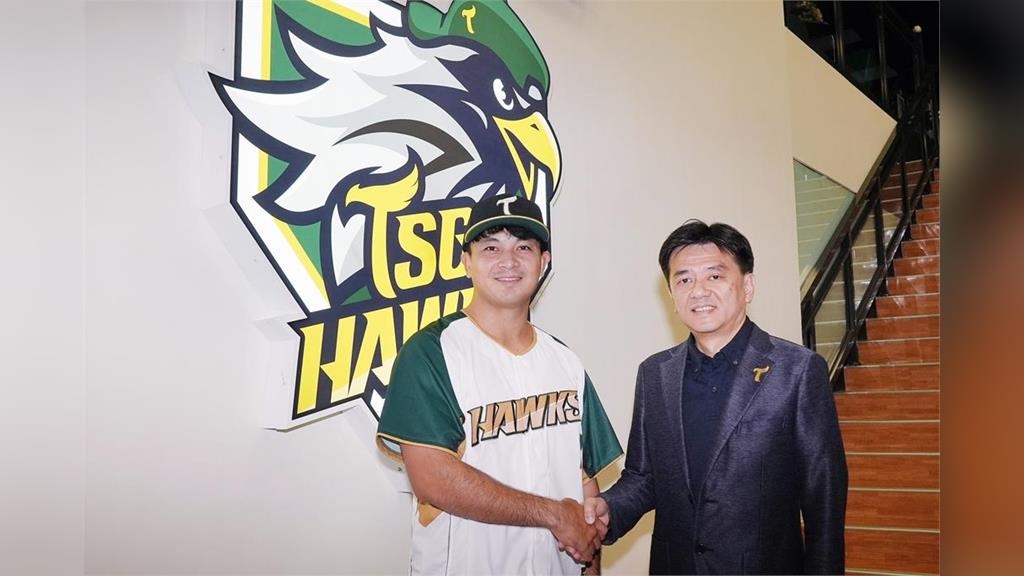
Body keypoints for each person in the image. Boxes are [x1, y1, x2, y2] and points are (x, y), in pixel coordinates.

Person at [376, 193, 623, 575]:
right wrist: (553, 514)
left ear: (543, 262)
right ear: (466, 262)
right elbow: (432, 479)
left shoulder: (566, 362)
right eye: (490, 247)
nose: (508, 261)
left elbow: (585, 491)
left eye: (523, 247)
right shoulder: (431, 352)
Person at [582, 219, 847, 575]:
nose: (699, 291)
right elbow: (644, 478)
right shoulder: (655, 373)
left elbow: (823, 496)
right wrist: (609, 509)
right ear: (671, 295)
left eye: (715, 276)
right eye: (684, 280)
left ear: (747, 286)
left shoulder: (797, 371)